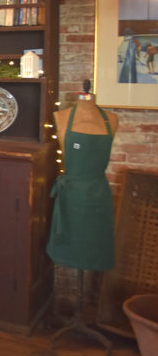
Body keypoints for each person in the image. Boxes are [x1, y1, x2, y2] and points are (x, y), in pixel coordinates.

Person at [46, 89, 118, 271]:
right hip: (71, 196)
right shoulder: (62, 117)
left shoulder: (111, 119)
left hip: (98, 196)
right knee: (70, 242)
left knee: (95, 243)